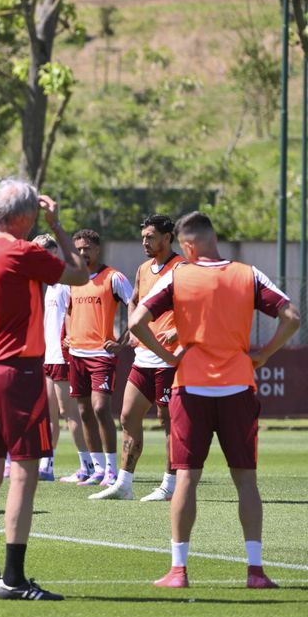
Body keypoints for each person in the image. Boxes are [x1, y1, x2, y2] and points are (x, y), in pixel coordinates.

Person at [129, 211, 300, 589]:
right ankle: (255, 571)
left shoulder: (178, 275)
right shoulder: (248, 274)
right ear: (214, 238)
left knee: (186, 479)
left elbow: (136, 321)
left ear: (187, 245)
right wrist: (264, 354)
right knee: (246, 481)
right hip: (239, 387)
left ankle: (178, 571)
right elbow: (292, 316)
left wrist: (169, 355)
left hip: (191, 388)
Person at [0, 179, 88, 601]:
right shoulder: (24, 253)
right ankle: (14, 578)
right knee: (24, 471)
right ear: (26, 217)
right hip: (19, 372)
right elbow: (80, 274)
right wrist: (57, 225)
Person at [91, 215, 183, 502]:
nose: (145, 241)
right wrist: (133, 329)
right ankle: (124, 484)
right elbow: (133, 300)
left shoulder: (182, 268)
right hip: (143, 357)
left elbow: (201, 307)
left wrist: (179, 330)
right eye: (143, 236)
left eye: (150, 236)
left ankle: (170, 485)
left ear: (167, 237)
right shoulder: (143, 269)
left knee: (170, 422)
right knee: (128, 416)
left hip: (169, 359)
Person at [66, 229, 132, 487]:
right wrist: (69, 334)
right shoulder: (73, 278)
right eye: (78, 249)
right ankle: (97, 469)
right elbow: (69, 311)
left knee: (101, 408)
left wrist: (122, 341)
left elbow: (137, 308)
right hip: (77, 354)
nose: (82, 253)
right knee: (83, 412)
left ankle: (112, 470)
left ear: (97, 249)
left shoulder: (114, 277)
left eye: (87, 248)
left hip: (101, 355)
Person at [32, 234, 84, 483]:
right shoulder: (49, 286)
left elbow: (76, 314)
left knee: (69, 412)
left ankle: (89, 464)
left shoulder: (65, 283)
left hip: (63, 357)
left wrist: (72, 340)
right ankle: (47, 464)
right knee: (49, 414)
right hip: (49, 357)